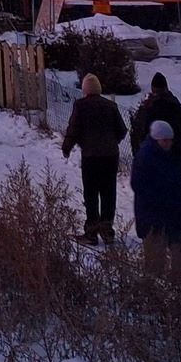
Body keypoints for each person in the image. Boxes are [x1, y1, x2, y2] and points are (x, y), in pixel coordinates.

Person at [60, 73, 127, 243]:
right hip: (110, 156)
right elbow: (122, 130)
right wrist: (112, 142)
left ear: (84, 89)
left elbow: (74, 129)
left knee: (91, 193)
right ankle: (106, 229)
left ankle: (91, 231)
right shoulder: (110, 106)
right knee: (108, 191)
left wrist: (67, 147)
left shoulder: (81, 106)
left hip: (91, 156)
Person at [132, 120, 181, 281]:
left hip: (176, 216)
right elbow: (140, 187)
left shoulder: (175, 157)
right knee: (155, 261)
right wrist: (164, 202)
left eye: (169, 140)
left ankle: (176, 290)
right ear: (156, 139)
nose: (168, 143)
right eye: (164, 140)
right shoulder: (144, 157)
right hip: (154, 218)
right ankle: (154, 293)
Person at [130, 72, 181, 169]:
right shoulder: (180, 109)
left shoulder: (148, 110)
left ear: (152, 89)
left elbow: (140, 134)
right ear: (166, 88)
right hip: (177, 162)